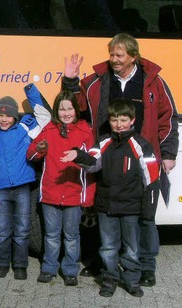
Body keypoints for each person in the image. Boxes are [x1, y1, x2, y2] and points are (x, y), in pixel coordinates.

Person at [62, 33, 179, 286]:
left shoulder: (154, 82)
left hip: (144, 162)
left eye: (119, 55)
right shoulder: (95, 81)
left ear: (133, 56)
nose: (114, 59)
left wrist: (168, 154)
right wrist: (70, 80)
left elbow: (167, 119)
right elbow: (75, 105)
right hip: (109, 162)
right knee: (103, 213)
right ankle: (102, 263)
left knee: (145, 218)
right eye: (111, 54)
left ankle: (147, 267)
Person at [64, 99, 160, 297]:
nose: (119, 124)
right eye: (115, 120)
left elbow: (151, 180)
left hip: (132, 208)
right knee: (108, 247)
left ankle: (132, 280)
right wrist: (78, 155)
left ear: (132, 120)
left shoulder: (141, 145)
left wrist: (148, 212)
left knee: (132, 249)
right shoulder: (103, 142)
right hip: (106, 206)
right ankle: (109, 279)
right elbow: (92, 164)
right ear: (109, 121)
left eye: (123, 120)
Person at [26, 91, 95, 286]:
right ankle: (49, 268)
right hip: (50, 193)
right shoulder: (48, 130)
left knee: (72, 236)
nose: (65, 113)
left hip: (73, 193)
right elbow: (30, 155)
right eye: (61, 109)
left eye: (69, 108)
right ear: (56, 111)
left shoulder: (85, 132)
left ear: (76, 110)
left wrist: (79, 156)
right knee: (51, 235)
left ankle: (71, 270)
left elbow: (93, 163)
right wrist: (39, 148)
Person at [0, 83, 51, 280]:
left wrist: (31, 92)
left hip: (23, 187)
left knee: (22, 229)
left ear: (15, 116)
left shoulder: (25, 128)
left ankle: (20, 266)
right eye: (0, 115)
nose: (4, 119)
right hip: (0, 189)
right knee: (2, 229)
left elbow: (45, 117)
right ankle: (2, 263)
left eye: (7, 115)